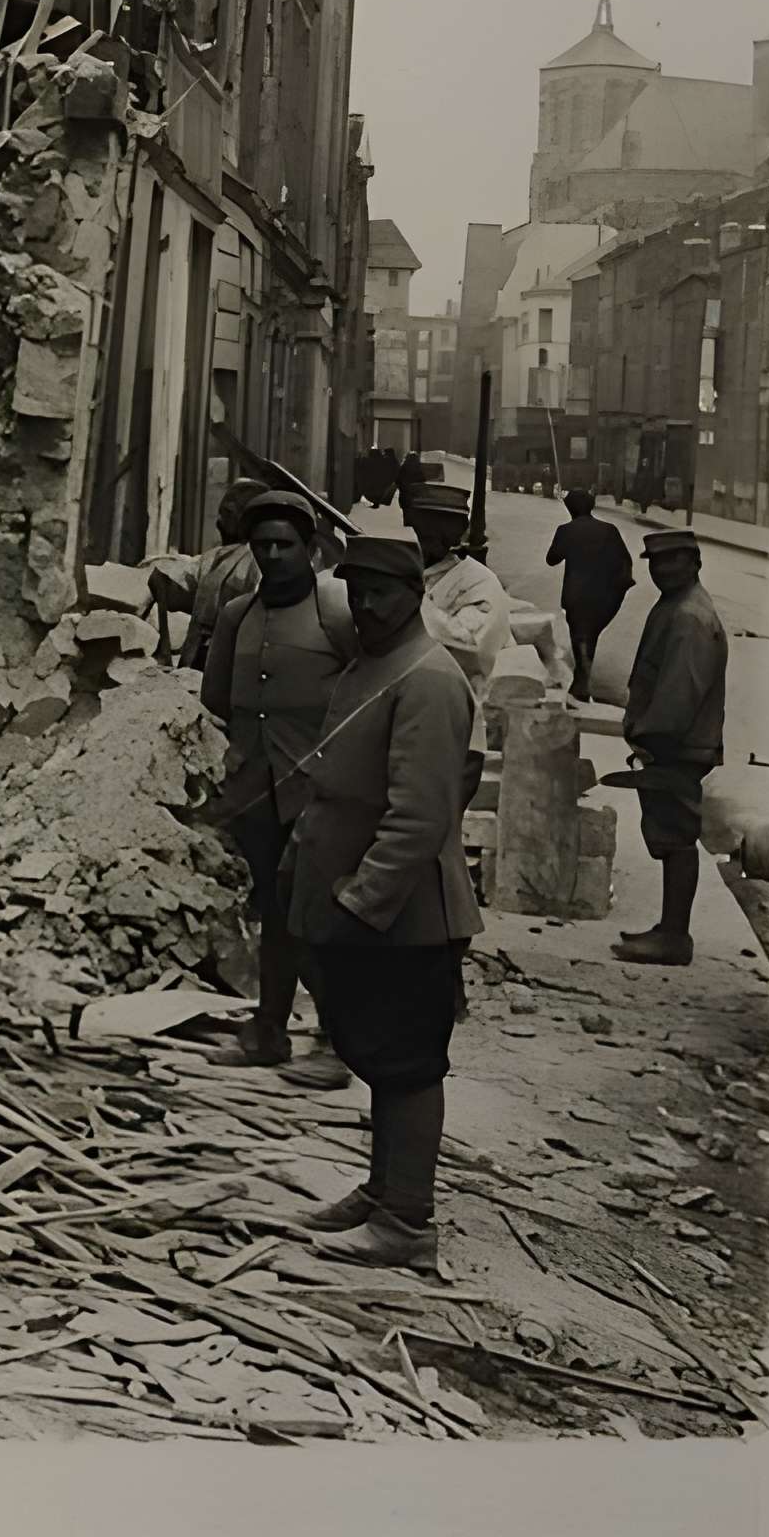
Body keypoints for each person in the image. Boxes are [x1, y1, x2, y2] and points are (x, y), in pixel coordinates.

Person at [283, 531, 484, 1270]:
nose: (366, 605)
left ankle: (407, 1220)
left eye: (382, 593)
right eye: (357, 591)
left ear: (414, 595)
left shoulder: (428, 678)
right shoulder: (375, 663)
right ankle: (383, 1190)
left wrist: (361, 902)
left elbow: (419, 819)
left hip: (406, 914)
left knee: (406, 1063)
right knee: (378, 1054)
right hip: (368, 903)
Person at [199, 491, 358, 1089]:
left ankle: (339, 1043)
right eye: (261, 545)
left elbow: (369, 694)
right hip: (256, 791)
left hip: (322, 792)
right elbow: (216, 697)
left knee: (322, 917)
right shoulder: (237, 615)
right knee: (273, 912)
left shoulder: (337, 612)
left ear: (311, 548)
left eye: (283, 545)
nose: (271, 555)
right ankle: (269, 1031)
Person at [609, 528, 728, 966]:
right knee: (669, 834)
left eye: (673, 561)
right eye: (656, 563)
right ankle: (670, 928)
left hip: (676, 747)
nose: (662, 570)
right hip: (675, 744)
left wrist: (649, 739)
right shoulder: (677, 605)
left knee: (676, 837)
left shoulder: (689, 616)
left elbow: (679, 694)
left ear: (695, 563)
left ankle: (675, 937)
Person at [401, 474, 511, 689]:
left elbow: (470, 646)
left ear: (450, 536)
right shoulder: (412, 571)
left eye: (427, 536)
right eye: (415, 532)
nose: (416, 543)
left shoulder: (479, 582)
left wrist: (411, 600)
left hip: (465, 689)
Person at [544, 489, 637, 702]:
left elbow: (552, 559)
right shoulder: (609, 530)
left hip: (577, 595)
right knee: (589, 635)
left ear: (570, 508)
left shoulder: (566, 530)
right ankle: (582, 678)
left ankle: (582, 681)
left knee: (580, 636)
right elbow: (625, 560)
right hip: (605, 595)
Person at [180, 479, 274, 669]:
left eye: (227, 513)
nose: (218, 522)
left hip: (234, 655)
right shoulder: (214, 557)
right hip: (202, 652)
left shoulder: (258, 561)